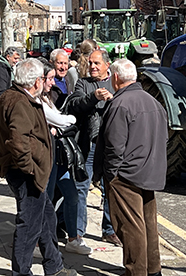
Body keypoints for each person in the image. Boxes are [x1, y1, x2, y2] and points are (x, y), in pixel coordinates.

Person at [0, 58, 78, 276]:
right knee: (29, 225)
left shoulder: (20, 97)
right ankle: (22, 272)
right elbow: (18, 140)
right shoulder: (20, 102)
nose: (44, 82)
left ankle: (55, 266)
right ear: (36, 81)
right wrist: (30, 169)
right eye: (42, 78)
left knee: (47, 218)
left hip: (31, 173)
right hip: (26, 174)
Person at [95, 59, 168, 276]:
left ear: (115, 78)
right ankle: (153, 270)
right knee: (148, 225)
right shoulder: (154, 102)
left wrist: (111, 173)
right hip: (149, 171)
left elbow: (114, 146)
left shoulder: (120, 104)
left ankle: (136, 271)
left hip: (125, 175)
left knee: (130, 227)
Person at [65, 49, 121, 247]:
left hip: (108, 145)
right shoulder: (83, 83)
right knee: (81, 187)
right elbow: (75, 104)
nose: (93, 67)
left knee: (110, 188)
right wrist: (94, 97)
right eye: (90, 63)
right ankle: (78, 232)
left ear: (107, 65)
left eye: (97, 63)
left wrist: (112, 100)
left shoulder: (115, 83)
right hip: (87, 145)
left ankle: (109, 230)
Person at [39, 62, 90, 255]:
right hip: (49, 157)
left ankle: (73, 238)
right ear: (39, 79)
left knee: (72, 195)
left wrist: (61, 124)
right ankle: (41, 242)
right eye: (50, 79)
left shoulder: (49, 97)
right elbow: (62, 120)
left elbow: (60, 121)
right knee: (48, 199)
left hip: (61, 156)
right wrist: (67, 121)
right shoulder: (37, 101)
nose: (53, 83)